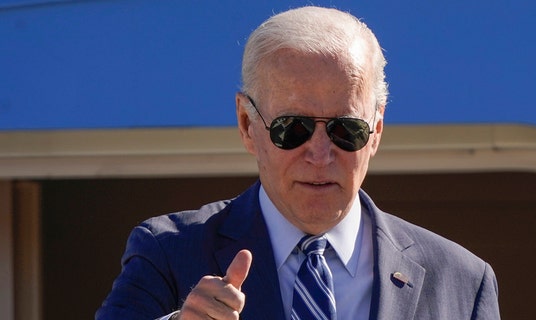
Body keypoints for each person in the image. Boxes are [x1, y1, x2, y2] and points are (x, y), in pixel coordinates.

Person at [96, 6, 500, 320]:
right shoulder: (168, 253)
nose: (320, 154)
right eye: (293, 128)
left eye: (346, 129)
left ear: (376, 130)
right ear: (246, 125)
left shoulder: (461, 280)